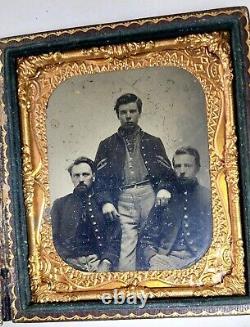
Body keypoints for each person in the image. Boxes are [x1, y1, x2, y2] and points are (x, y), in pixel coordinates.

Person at [95, 93, 176, 271]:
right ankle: (129, 288)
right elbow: (99, 181)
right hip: (122, 197)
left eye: (132, 111)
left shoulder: (153, 142)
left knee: (152, 242)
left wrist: (164, 189)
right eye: (123, 112)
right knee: (126, 247)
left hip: (150, 195)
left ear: (139, 113)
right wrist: (106, 202)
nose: (128, 116)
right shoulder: (106, 145)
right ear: (118, 115)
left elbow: (168, 173)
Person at [140, 146, 212, 270]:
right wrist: (152, 257)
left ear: (197, 168)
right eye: (178, 166)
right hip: (167, 260)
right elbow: (147, 238)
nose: (182, 170)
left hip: (199, 259)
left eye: (187, 166)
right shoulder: (164, 197)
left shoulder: (208, 197)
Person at [51, 156, 121, 272]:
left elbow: (115, 238)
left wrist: (106, 262)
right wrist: (66, 263)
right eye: (76, 175)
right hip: (70, 264)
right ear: (71, 178)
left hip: (98, 263)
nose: (81, 179)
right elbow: (54, 240)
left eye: (85, 174)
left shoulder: (105, 204)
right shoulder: (60, 204)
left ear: (93, 176)